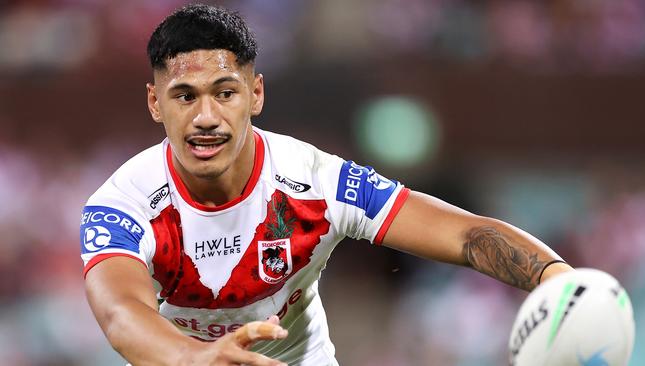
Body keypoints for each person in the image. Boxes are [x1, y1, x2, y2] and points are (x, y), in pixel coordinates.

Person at [80, 4, 574, 366]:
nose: (206, 117)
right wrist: (197, 359)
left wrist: (559, 280)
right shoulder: (122, 204)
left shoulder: (315, 182)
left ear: (255, 94)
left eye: (225, 93)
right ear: (154, 103)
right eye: (184, 96)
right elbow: (121, 314)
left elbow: (466, 236)